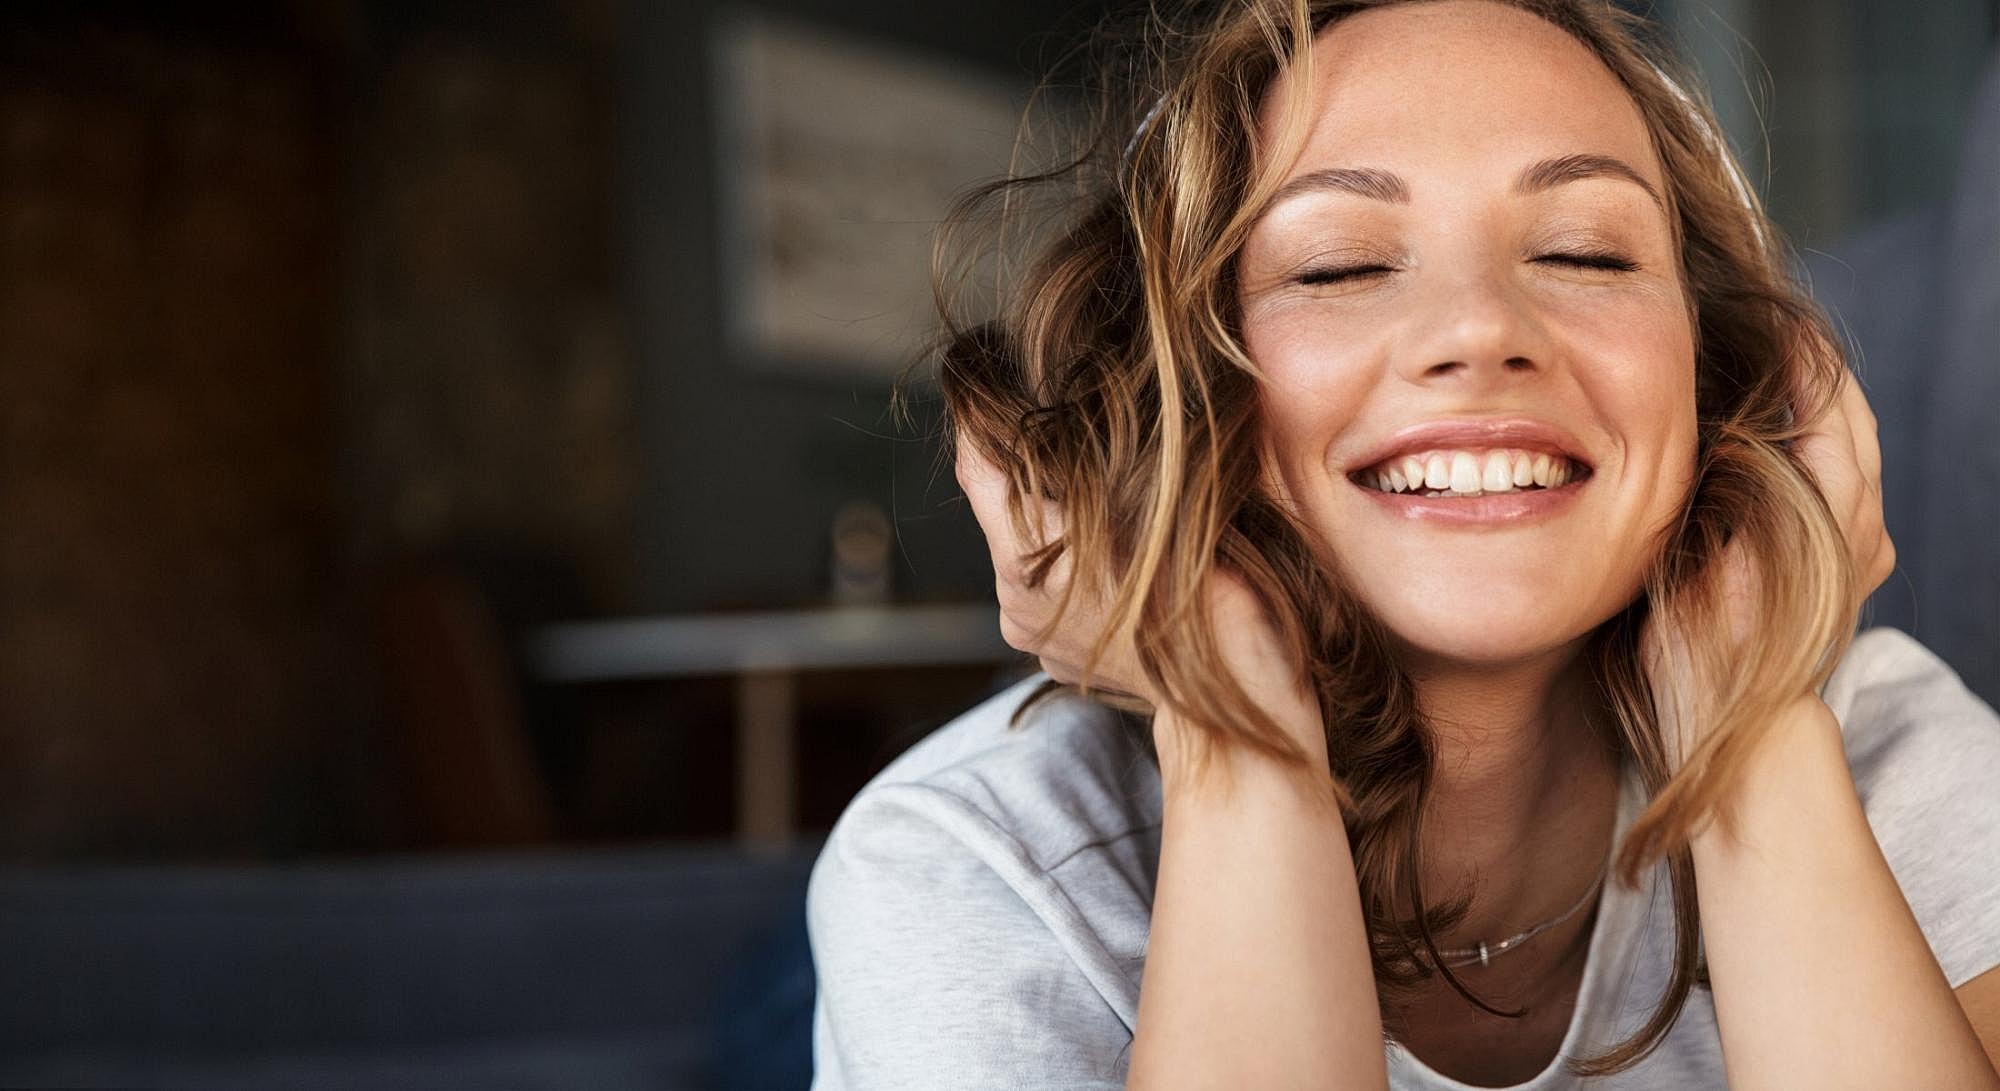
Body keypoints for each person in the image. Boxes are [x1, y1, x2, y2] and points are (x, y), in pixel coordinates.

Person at [807, 1, 2000, 1087]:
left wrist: (1752, 722)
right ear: (1177, 386)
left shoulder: (1893, 759)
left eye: (1583, 251)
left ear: (1714, 372)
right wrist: (1240, 726)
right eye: (1339, 263)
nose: (1481, 328)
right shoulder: (970, 863)